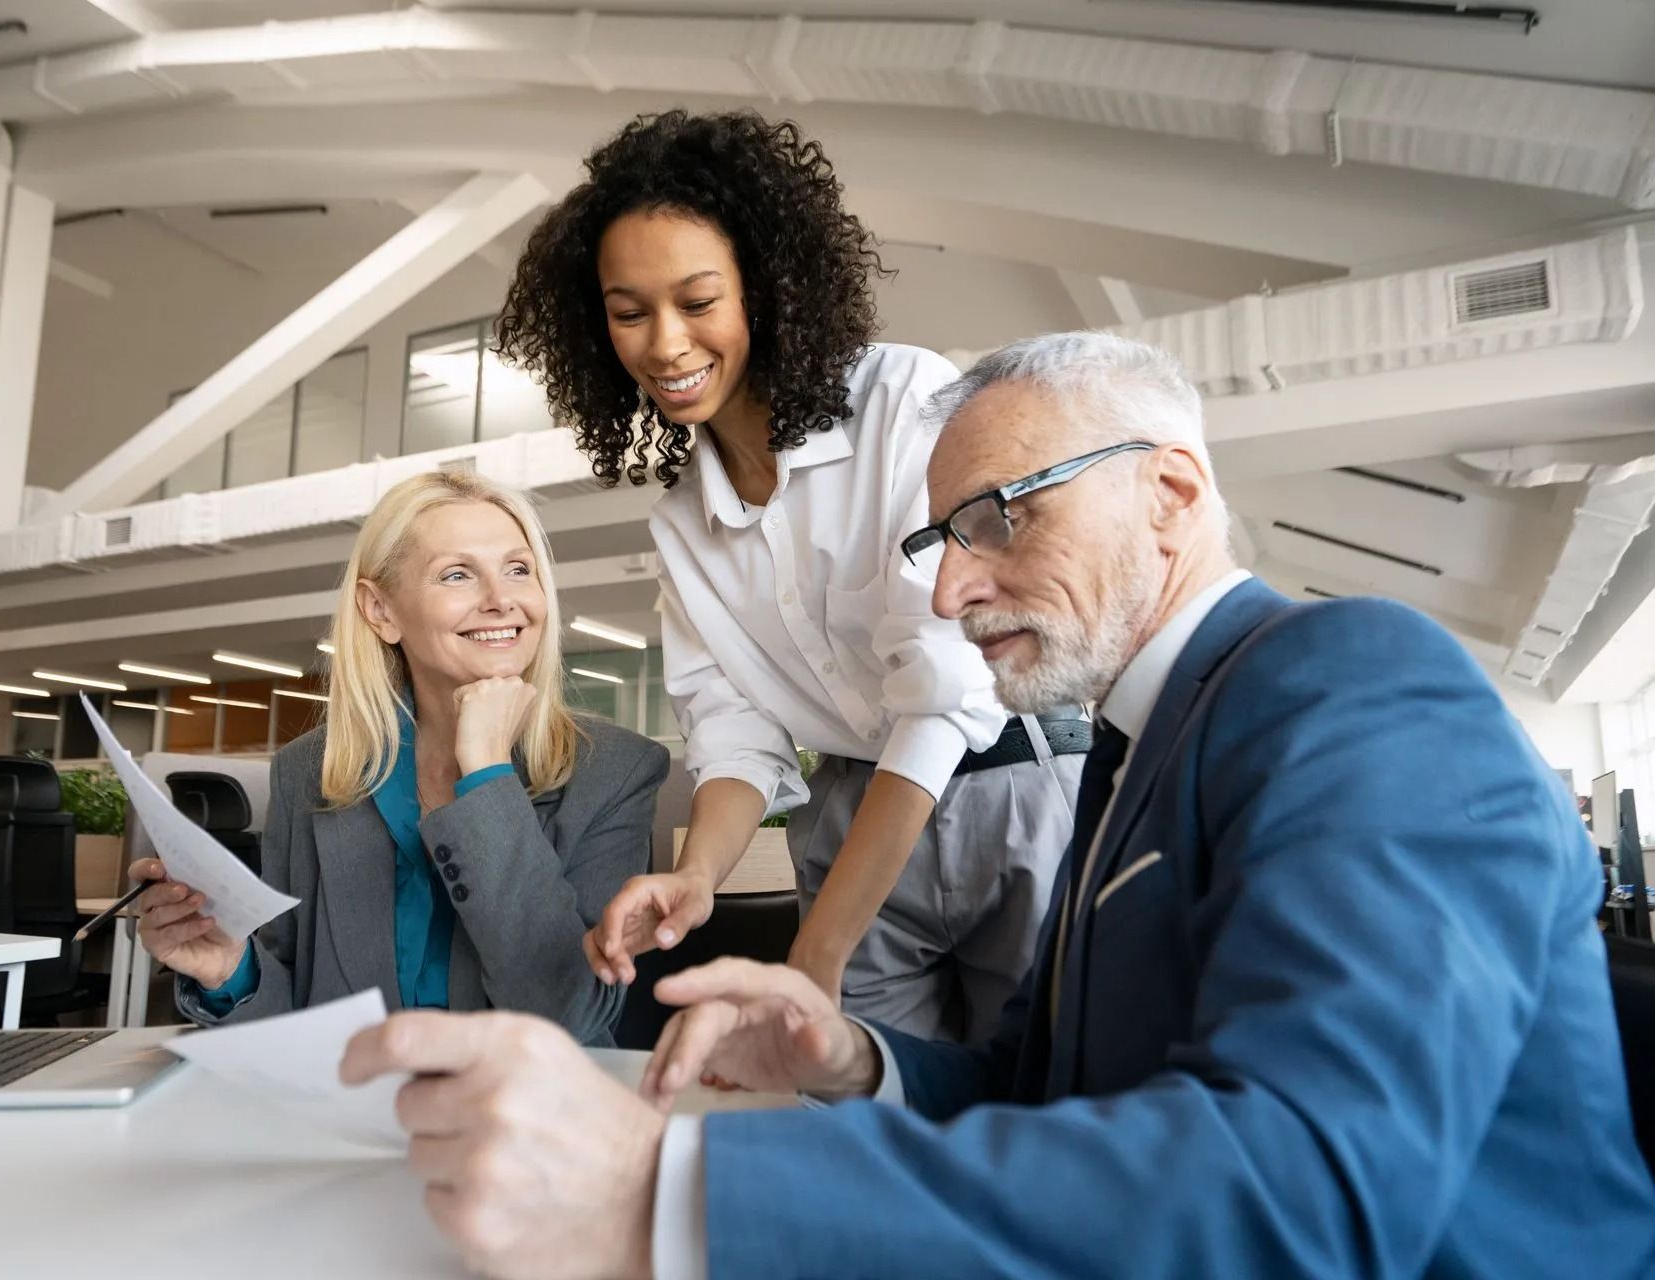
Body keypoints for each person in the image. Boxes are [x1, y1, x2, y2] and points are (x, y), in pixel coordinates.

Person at [337, 333, 1655, 1279]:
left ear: (1172, 493)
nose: (951, 591)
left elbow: (1307, 1191)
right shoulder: (1131, 760)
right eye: (937, 542)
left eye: (997, 520)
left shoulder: (1354, 681)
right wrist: (855, 1060)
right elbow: (1041, 1086)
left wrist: (668, 1190)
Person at [496, 109, 1083, 1040]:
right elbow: (737, 738)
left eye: (697, 302)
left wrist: (820, 951)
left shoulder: (902, 404)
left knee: (1045, 1109)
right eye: (628, 313)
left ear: (762, 290)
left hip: (1007, 788)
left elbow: (942, 694)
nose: (664, 344)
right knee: (857, 1123)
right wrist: (697, 876)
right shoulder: (685, 523)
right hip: (853, 818)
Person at [136, 471, 667, 1045]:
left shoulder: (614, 771)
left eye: (519, 569)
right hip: (346, 1110)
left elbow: (569, 1016)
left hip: (518, 1117)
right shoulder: (310, 773)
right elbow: (298, 1010)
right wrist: (227, 971)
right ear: (380, 610)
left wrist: (487, 772)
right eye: (458, 574)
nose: (501, 600)